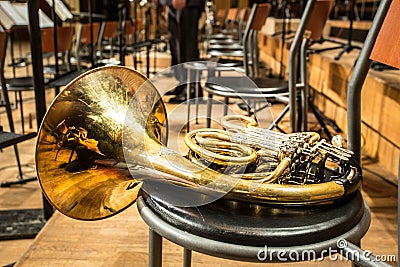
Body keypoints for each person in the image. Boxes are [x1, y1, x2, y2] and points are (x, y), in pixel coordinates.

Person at [160, 0, 205, 103]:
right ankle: (182, 84)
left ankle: (193, 88)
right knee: (176, 46)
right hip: (173, 4)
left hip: (187, 4)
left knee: (187, 46)